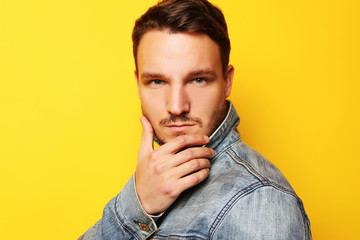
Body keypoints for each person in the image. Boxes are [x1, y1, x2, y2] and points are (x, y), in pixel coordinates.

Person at [79, 0, 311, 239]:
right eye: (157, 81)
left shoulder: (259, 203)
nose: (177, 107)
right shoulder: (149, 186)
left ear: (227, 81)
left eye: (198, 79)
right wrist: (138, 205)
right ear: (138, 84)